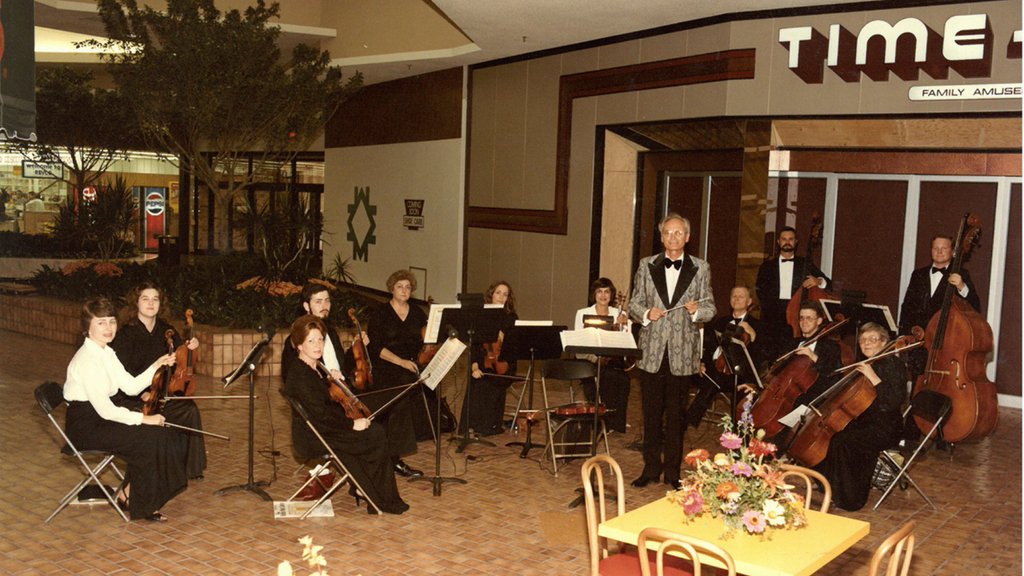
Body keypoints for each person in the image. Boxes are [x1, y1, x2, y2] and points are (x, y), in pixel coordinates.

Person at [62, 297, 187, 521]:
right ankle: (140, 504)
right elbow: (106, 411)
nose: (108, 328)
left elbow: (130, 387)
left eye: (111, 321)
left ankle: (129, 494)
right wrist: (143, 419)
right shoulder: (87, 360)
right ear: (87, 327)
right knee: (147, 437)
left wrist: (156, 366)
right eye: (101, 323)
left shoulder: (105, 352)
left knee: (160, 433)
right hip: (85, 426)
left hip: (98, 417)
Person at [282, 315, 408, 514]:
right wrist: (352, 425)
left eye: (320, 339)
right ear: (299, 345)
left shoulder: (314, 368)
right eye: (311, 341)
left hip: (323, 429)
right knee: (376, 435)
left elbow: (325, 405)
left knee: (374, 430)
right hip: (315, 436)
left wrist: (333, 382)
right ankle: (379, 498)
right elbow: (321, 415)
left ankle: (369, 491)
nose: (317, 345)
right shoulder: (300, 374)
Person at [627, 214, 715, 488]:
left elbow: (711, 308)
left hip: (682, 356)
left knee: (676, 418)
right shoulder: (646, 265)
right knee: (651, 414)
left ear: (687, 237)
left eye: (678, 233)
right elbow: (633, 304)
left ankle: (673, 474)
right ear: (661, 237)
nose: (673, 237)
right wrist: (645, 313)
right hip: (652, 352)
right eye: (668, 233)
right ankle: (650, 469)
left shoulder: (701, 268)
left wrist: (696, 311)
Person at [110, 282, 206, 481]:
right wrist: (140, 393)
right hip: (133, 395)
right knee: (156, 413)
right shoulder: (125, 334)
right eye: (145, 299)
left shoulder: (167, 330)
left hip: (162, 392)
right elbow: (119, 375)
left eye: (155, 299)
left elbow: (181, 361)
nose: (151, 303)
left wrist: (190, 348)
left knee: (189, 409)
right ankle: (160, 465)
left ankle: (189, 468)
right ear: (136, 303)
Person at [814, 322, 908, 511]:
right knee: (834, 434)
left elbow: (891, 403)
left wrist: (873, 377)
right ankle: (831, 487)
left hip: (886, 426)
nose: (866, 344)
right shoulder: (866, 363)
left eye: (872, 339)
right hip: (865, 420)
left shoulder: (894, 365)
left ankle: (851, 498)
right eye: (863, 340)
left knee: (847, 441)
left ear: (884, 342)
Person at [366, 270, 425, 478]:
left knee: (411, 389)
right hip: (386, 364)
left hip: (410, 365)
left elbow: (426, 340)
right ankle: (393, 458)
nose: (404, 290)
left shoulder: (417, 313)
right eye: (400, 286)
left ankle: (393, 456)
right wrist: (400, 362)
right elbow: (375, 347)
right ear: (392, 288)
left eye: (408, 287)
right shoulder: (380, 313)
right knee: (400, 394)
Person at [898, 235, 981, 376]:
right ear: (931, 250)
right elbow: (907, 306)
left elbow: (975, 306)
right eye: (935, 248)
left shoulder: (962, 274)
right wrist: (903, 334)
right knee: (917, 382)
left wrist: (961, 286)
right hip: (920, 338)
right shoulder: (918, 274)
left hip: (946, 340)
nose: (939, 251)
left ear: (953, 252)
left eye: (944, 248)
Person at [687, 286, 765, 428]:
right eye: (733, 296)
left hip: (740, 375)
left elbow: (761, 354)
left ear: (749, 302)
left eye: (741, 296)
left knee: (719, 384)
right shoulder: (721, 322)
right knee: (703, 379)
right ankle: (684, 423)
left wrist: (752, 334)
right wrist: (701, 363)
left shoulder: (757, 325)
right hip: (716, 369)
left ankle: (738, 430)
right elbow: (709, 347)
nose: (736, 299)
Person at [755, 226, 831, 357]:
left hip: (797, 315)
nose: (787, 242)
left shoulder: (805, 263)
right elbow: (760, 291)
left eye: (790, 239)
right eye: (784, 239)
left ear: (796, 242)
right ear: (778, 241)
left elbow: (828, 283)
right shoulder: (767, 266)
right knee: (771, 356)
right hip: (773, 317)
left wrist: (818, 281)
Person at [573, 277, 631, 433]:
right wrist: (595, 358)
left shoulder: (619, 313)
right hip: (589, 360)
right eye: (599, 291)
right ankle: (599, 421)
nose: (603, 295)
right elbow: (579, 343)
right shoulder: (582, 313)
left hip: (611, 360)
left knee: (622, 379)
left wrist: (624, 325)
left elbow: (626, 342)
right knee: (601, 376)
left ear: (611, 295)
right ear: (594, 294)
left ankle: (615, 423)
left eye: (607, 291)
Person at [461, 280, 519, 436]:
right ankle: (472, 423)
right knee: (477, 376)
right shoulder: (482, 314)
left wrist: (504, 337)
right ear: (491, 294)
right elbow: (474, 344)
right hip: (482, 357)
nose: (501, 297)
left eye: (505, 294)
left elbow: (515, 345)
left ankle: (489, 425)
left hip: (503, 360)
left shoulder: (511, 317)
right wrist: (474, 365)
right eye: (498, 293)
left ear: (508, 298)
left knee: (492, 378)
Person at [281, 282, 349, 384]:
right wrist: (328, 382)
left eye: (327, 301)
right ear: (306, 306)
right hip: (323, 395)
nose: (324, 306)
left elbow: (342, 366)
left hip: (342, 391)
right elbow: (292, 380)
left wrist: (356, 347)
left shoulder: (331, 332)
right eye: (318, 302)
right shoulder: (297, 338)